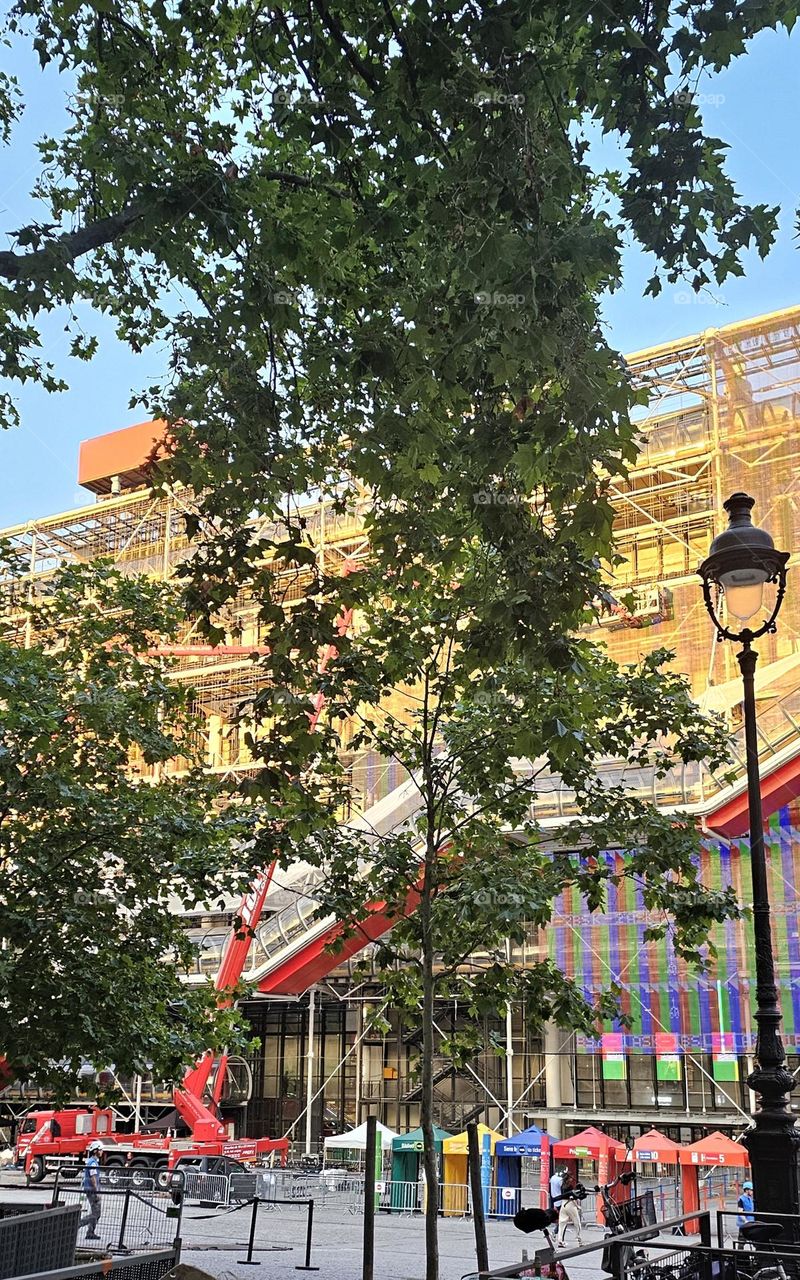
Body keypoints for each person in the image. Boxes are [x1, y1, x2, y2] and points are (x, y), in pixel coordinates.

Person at [80, 1140, 103, 1240]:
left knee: (95, 1213)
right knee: (96, 1213)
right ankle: (79, 1224)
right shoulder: (92, 1163)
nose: (101, 1152)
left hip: (89, 1190)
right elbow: (93, 1178)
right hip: (92, 1191)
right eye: (100, 1150)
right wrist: (97, 1192)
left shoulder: (92, 1162)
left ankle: (90, 1232)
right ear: (95, 1151)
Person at [556, 1171, 583, 1249]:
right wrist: (577, 1206)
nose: (572, 1179)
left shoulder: (562, 1186)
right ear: (569, 1178)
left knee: (562, 1223)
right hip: (570, 1204)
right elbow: (572, 1198)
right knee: (577, 1223)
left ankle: (560, 1241)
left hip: (563, 1204)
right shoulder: (570, 1187)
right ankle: (579, 1240)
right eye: (571, 1178)